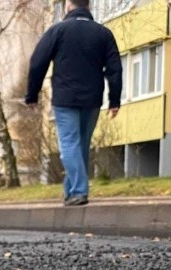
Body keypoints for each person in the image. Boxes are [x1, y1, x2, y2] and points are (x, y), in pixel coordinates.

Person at [25, 0, 121, 206]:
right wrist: (115, 99)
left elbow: (38, 62)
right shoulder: (103, 33)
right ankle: (71, 192)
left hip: (65, 98)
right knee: (81, 146)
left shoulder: (57, 31)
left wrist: (32, 95)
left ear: (68, 6)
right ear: (89, 6)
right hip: (92, 99)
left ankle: (78, 191)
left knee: (69, 144)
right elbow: (115, 69)